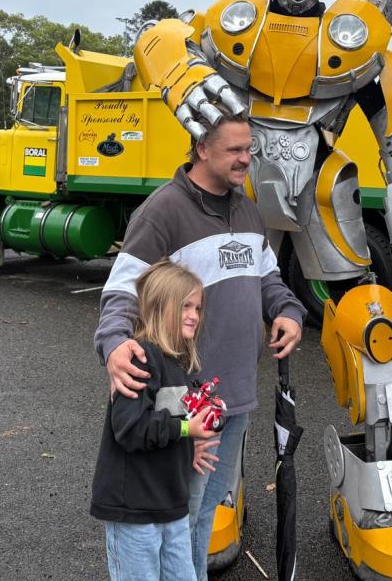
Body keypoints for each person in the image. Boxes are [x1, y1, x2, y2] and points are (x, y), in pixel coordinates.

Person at [95, 112, 305, 581]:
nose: (245, 160)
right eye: (234, 150)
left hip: (234, 392)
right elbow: (123, 290)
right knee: (180, 516)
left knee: (207, 512)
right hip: (189, 395)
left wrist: (288, 310)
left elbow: (266, 275)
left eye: (249, 150)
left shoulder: (248, 208)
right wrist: (113, 344)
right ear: (201, 149)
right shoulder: (163, 211)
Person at [91, 260, 215, 581]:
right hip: (133, 510)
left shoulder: (183, 363)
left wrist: (204, 427)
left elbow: (194, 418)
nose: (193, 315)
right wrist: (188, 429)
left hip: (171, 506)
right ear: (161, 307)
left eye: (197, 308)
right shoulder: (140, 359)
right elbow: (130, 429)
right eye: (185, 306)